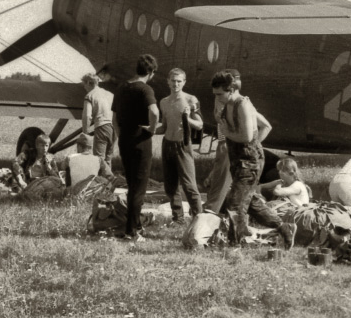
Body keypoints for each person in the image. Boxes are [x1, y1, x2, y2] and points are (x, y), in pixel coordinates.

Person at [211, 69, 294, 249]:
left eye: (220, 94)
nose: (217, 98)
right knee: (251, 202)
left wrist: (248, 146)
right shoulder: (226, 103)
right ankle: (283, 227)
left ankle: (235, 245)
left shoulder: (243, 105)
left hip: (249, 163)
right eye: (215, 94)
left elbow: (249, 136)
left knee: (235, 203)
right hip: (238, 161)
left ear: (231, 90)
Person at [113, 54, 161, 241]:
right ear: (151, 72)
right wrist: (152, 128)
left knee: (132, 184)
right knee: (139, 187)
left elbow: (114, 118)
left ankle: (134, 225)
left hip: (124, 139)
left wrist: (120, 135)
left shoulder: (122, 87)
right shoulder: (145, 89)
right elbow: (154, 111)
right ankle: (132, 231)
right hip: (141, 140)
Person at [156, 67, 204, 223]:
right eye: (173, 81)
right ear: (168, 81)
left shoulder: (191, 100)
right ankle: (178, 218)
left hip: (183, 144)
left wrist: (187, 118)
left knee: (189, 185)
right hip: (167, 144)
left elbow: (199, 124)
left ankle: (199, 218)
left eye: (179, 81)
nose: (175, 84)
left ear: (184, 82)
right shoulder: (164, 102)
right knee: (170, 186)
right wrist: (145, 130)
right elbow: (164, 127)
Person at [81, 71, 116, 167]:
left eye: (84, 85)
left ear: (88, 83)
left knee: (98, 159)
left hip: (102, 127)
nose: (84, 88)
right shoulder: (110, 94)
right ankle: (109, 181)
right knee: (108, 160)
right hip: (114, 128)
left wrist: (85, 133)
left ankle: (100, 181)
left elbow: (87, 116)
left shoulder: (90, 95)